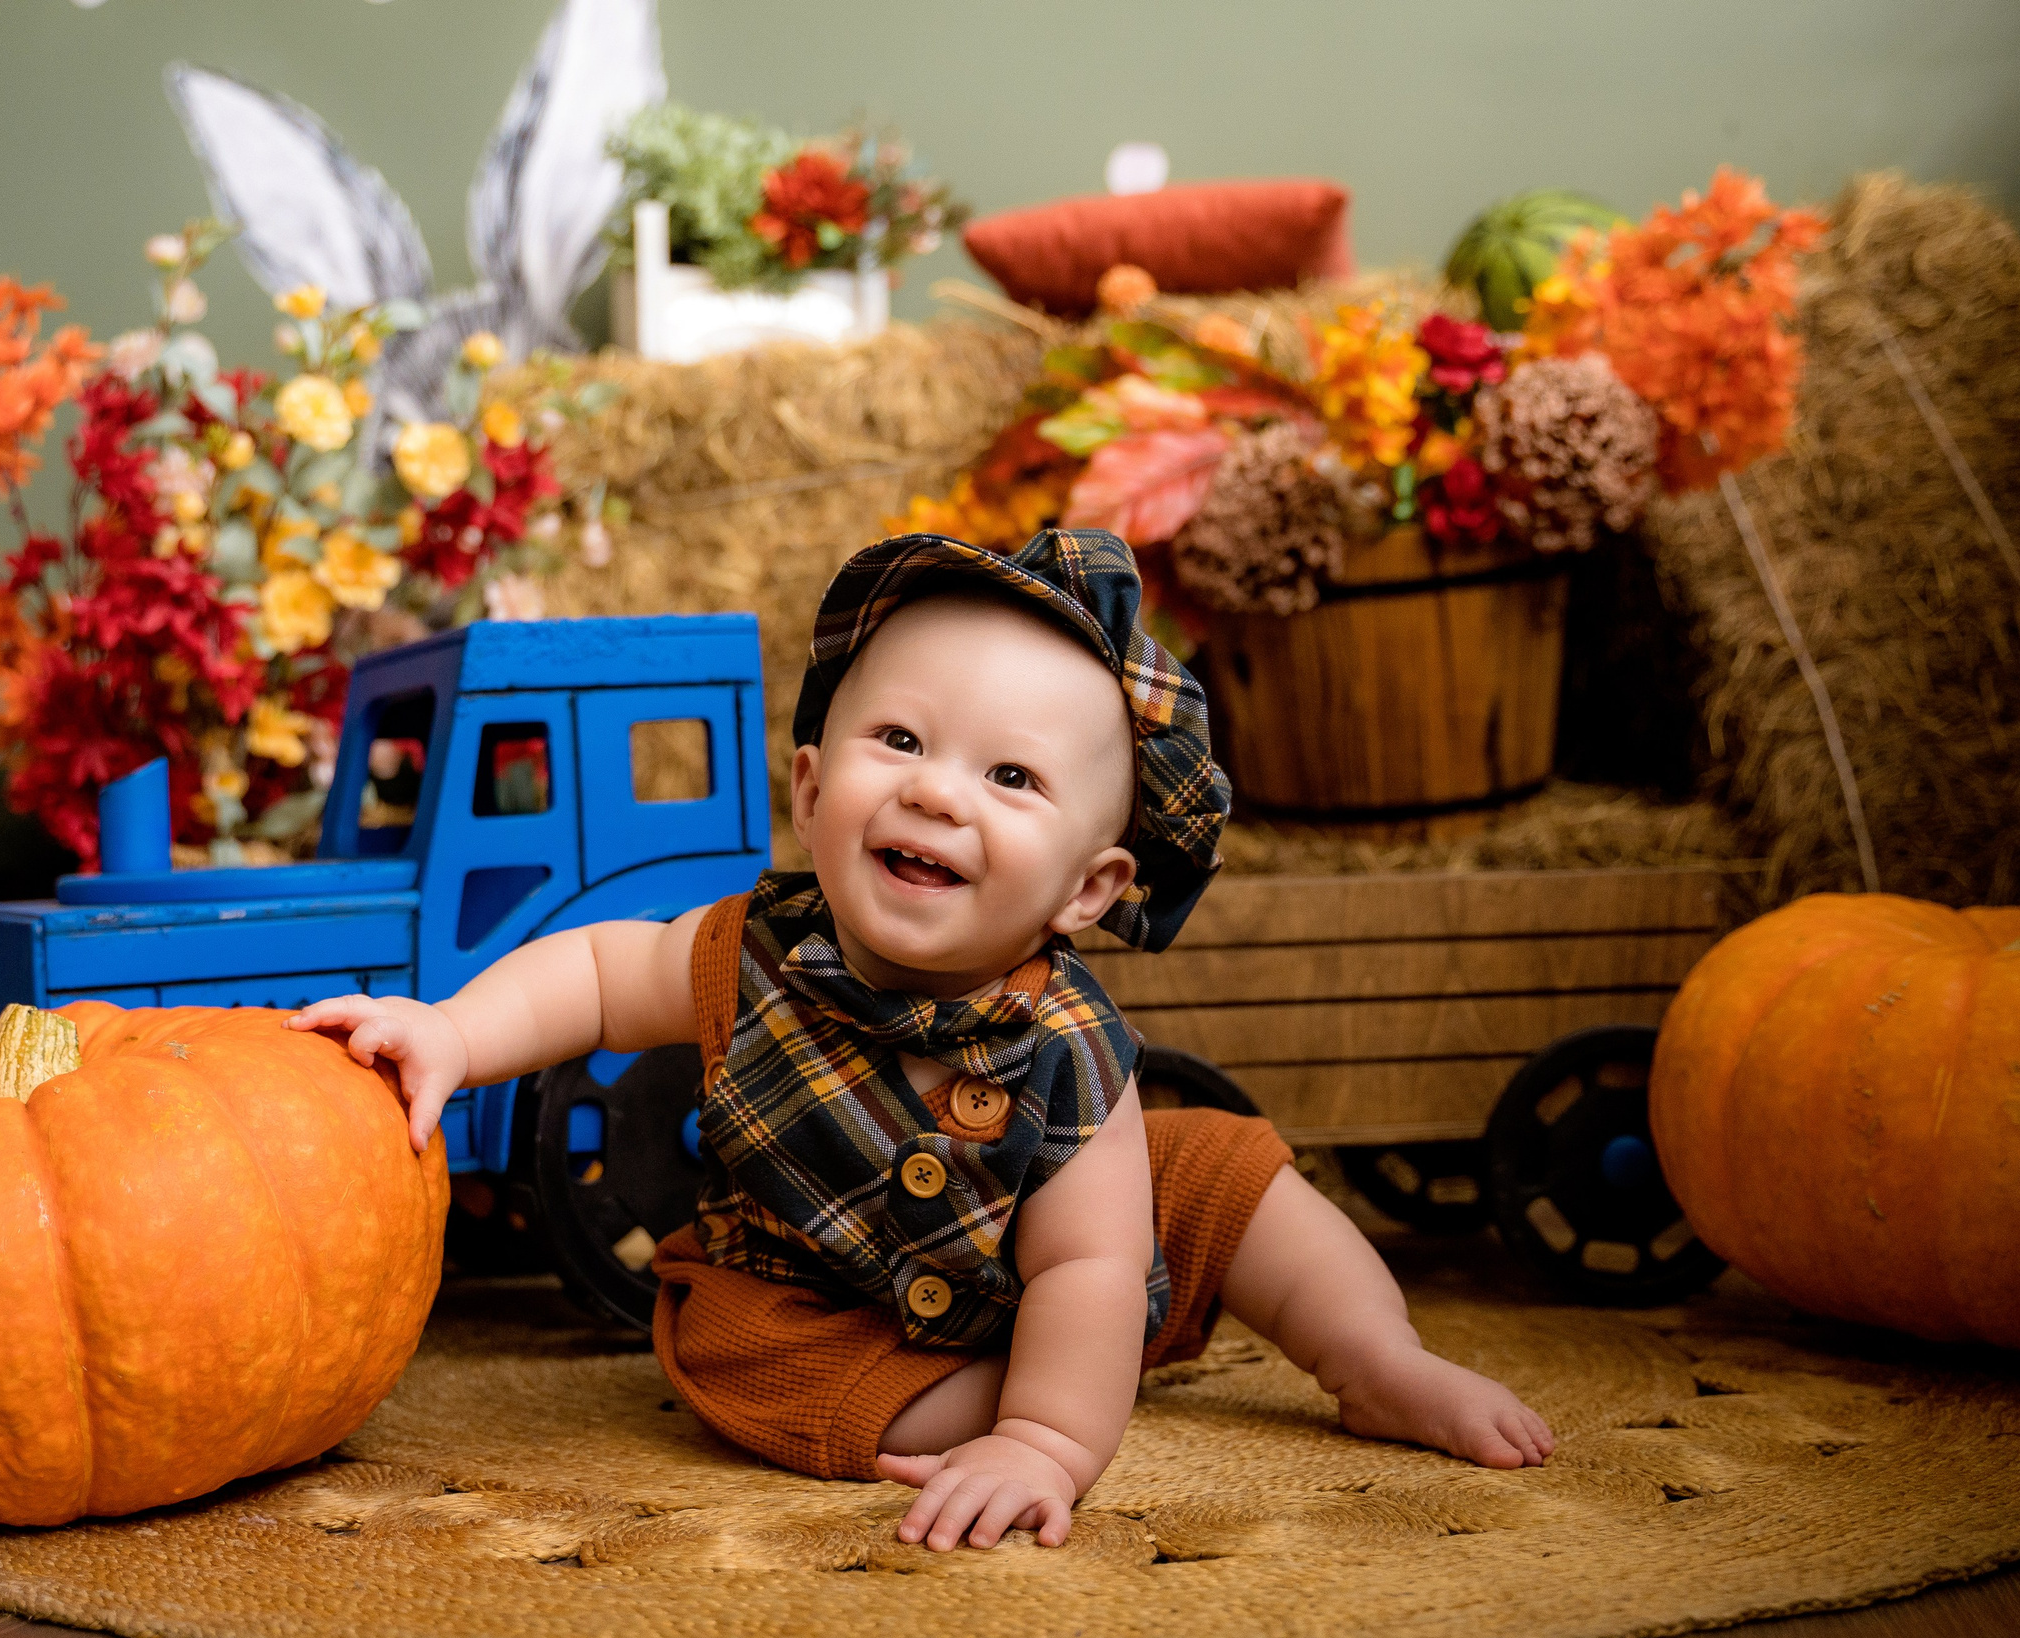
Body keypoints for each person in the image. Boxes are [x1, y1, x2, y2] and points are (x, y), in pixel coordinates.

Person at [289, 528, 1554, 1556]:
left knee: (1232, 1177)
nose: (937, 791)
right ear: (809, 790)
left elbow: (1090, 1274)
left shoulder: (1068, 1058)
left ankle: (1376, 1361)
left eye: (1011, 779)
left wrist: (1047, 1446)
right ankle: (1031, 1392)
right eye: (898, 741)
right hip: (815, 1309)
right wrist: (454, 1029)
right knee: (788, 1382)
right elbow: (598, 968)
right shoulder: (757, 950)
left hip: (1052, 1271)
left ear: (1088, 891)